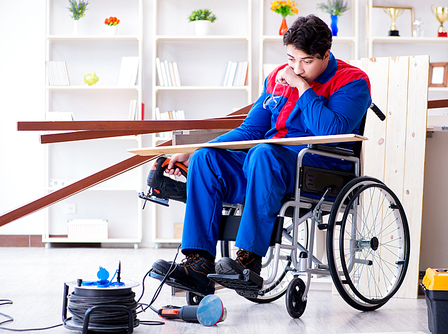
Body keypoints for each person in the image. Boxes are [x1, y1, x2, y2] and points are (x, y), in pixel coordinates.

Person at [151, 14, 371, 296]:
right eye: (292, 59)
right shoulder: (277, 78)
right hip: (265, 163)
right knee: (208, 158)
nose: (297, 68)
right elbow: (248, 131)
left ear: (326, 54)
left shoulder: (353, 81)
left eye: (307, 61)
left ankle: (249, 261)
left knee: (263, 153)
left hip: (317, 166)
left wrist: (302, 88)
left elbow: (331, 130)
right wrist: (197, 149)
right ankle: (199, 263)